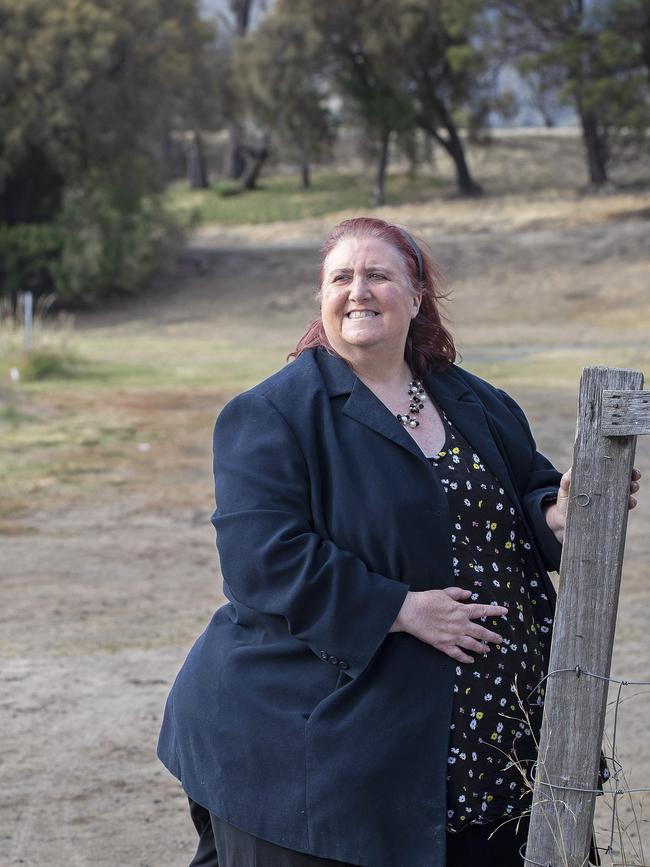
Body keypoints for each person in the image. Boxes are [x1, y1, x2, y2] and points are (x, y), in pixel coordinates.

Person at [157, 217, 641, 867]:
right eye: (340, 277)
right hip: (316, 749)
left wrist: (561, 512)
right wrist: (401, 607)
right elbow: (263, 559)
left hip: (493, 754)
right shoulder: (274, 413)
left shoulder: (474, 400)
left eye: (378, 274)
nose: (358, 289)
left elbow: (525, 497)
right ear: (321, 298)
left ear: (416, 296)